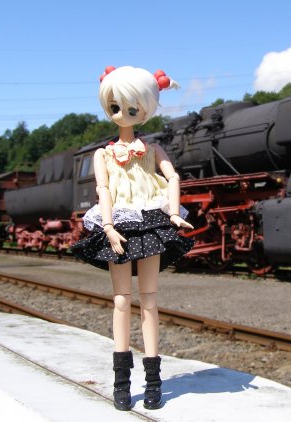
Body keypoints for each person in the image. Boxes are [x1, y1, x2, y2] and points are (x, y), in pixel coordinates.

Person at [71, 65, 194, 411]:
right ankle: (121, 383)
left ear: (146, 107)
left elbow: (173, 178)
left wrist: (173, 213)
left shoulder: (153, 149)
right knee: (122, 301)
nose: (122, 113)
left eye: (130, 107)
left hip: (151, 219)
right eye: (115, 107)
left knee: (150, 300)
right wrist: (108, 226)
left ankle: (153, 382)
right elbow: (103, 190)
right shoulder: (103, 154)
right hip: (119, 224)